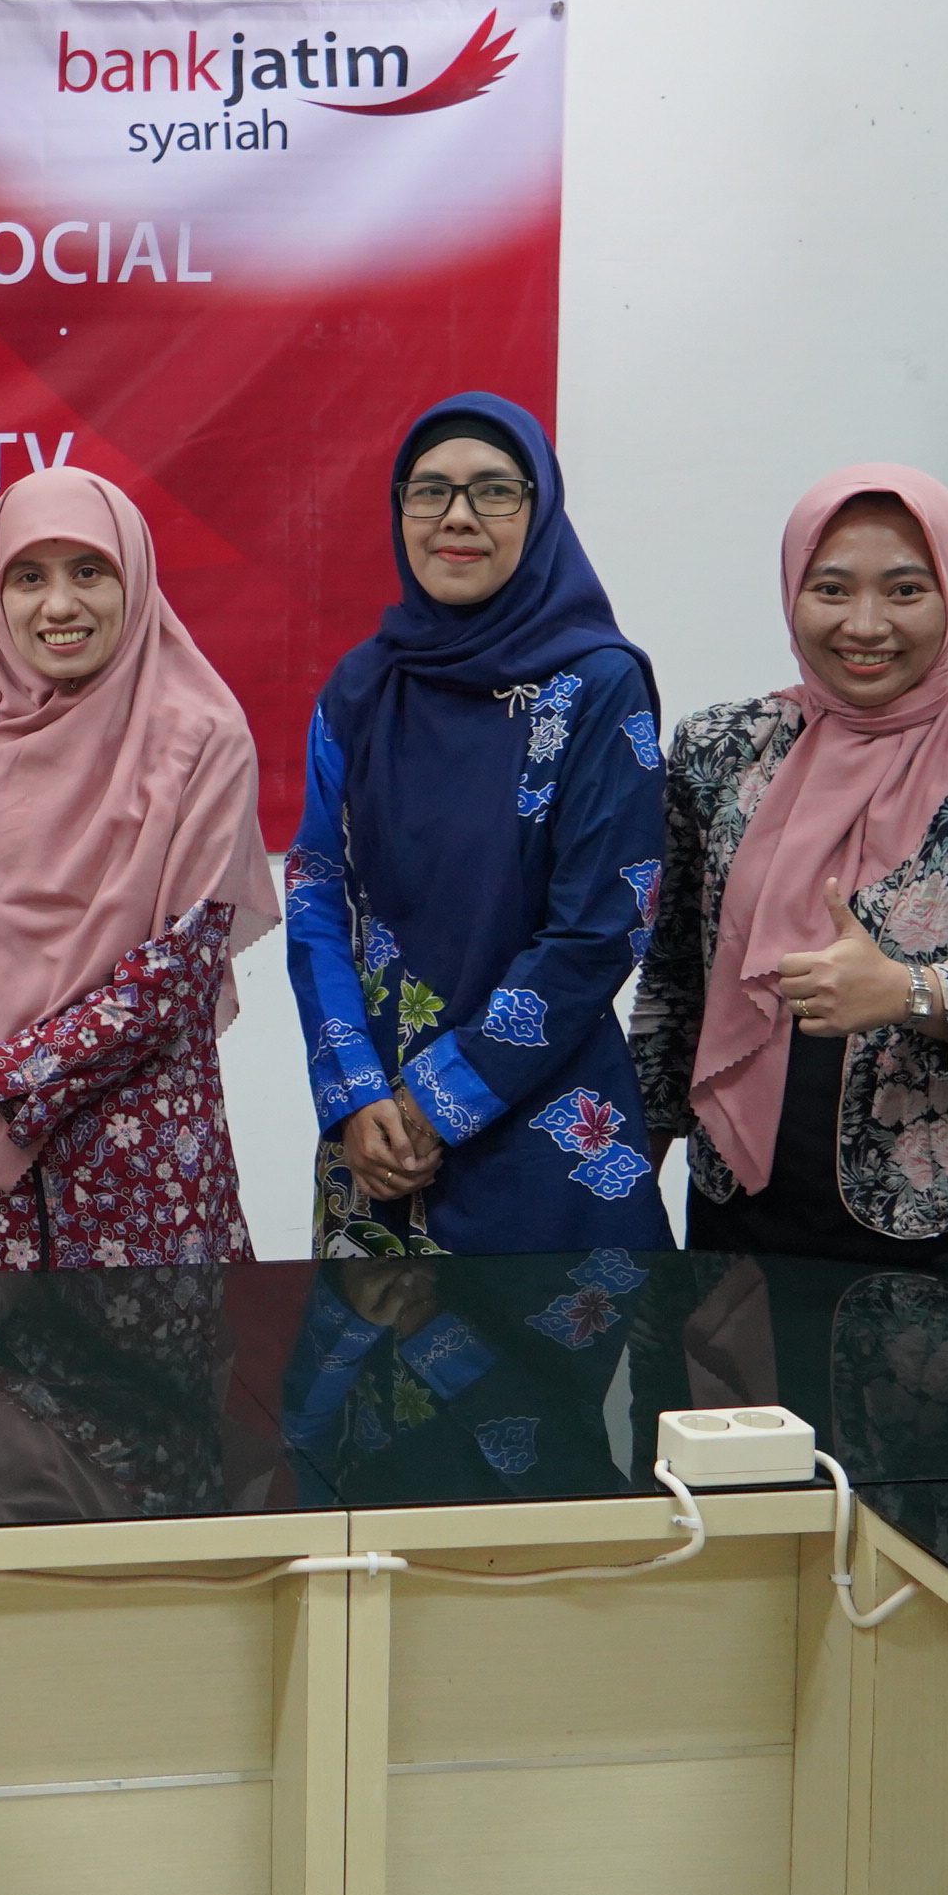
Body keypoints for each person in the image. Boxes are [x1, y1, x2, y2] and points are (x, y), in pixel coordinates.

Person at [632, 466, 948, 1293]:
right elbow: (677, 978)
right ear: (793, 589)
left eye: (905, 590)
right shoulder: (724, 749)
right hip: (742, 1209)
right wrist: (634, 1165)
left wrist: (913, 993)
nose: (865, 625)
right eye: (832, 589)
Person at [0, 466, 276, 1269]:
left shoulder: (201, 740)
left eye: (90, 571)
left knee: (153, 1358)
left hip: (142, 1189)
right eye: (29, 577)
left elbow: (169, 988)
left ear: (133, 579)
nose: (60, 605)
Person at [285, 394, 670, 1254]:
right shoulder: (359, 689)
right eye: (430, 491)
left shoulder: (597, 685)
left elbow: (600, 926)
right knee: (370, 1342)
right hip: (372, 1139)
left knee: (552, 1348)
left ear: (539, 511)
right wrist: (354, 1092)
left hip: (542, 1130)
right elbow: (316, 897)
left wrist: (440, 1098)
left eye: (494, 490)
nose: (457, 516)